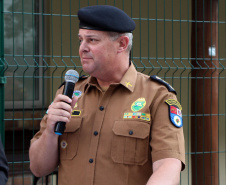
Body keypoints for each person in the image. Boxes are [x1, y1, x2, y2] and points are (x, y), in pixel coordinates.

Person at [29, 5, 185, 185]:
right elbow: (38, 168)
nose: (82, 48)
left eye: (92, 40)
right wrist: (50, 131)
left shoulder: (157, 96)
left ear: (122, 44)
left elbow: (168, 166)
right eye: (80, 40)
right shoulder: (68, 94)